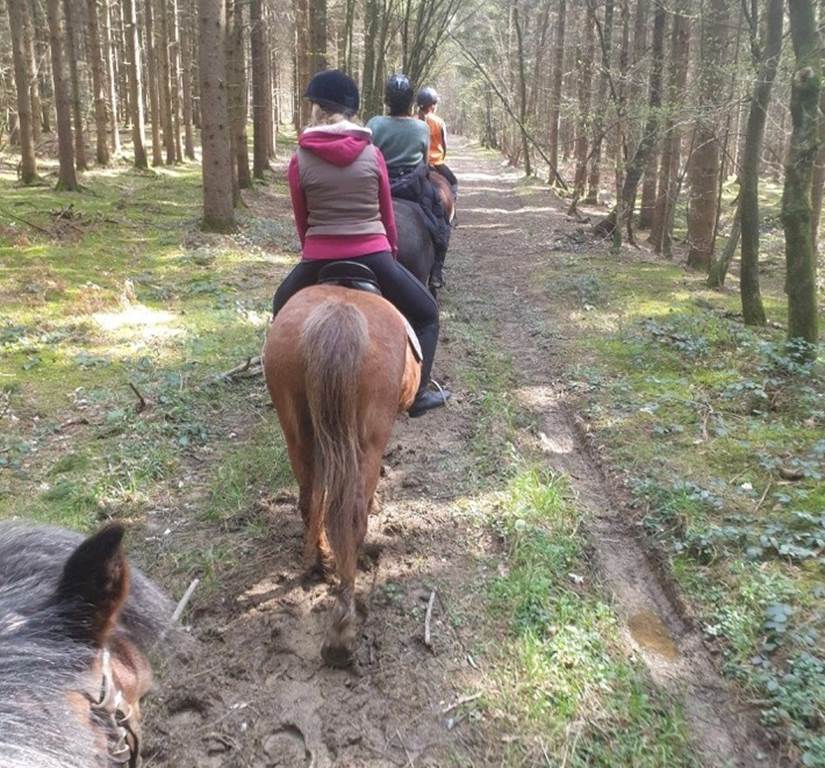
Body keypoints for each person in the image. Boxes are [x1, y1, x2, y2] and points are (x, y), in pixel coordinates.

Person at [271, 69, 450, 417]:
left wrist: (312, 253)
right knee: (428, 315)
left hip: (318, 257)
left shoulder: (299, 159)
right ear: (350, 112)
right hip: (375, 255)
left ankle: (283, 386)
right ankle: (419, 395)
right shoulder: (372, 155)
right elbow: (387, 215)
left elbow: (302, 220)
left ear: (318, 110)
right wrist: (390, 256)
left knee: (280, 308)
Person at [367, 75, 451, 289]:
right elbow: (424, 162)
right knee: (439, 221)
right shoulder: (420, 127)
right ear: (410, 101)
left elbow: (367, 155)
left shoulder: (374, 123)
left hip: (379, 185)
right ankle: (436, 271)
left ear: (387, 101)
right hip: (412, 187)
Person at [417, 87, 458, 197]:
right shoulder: (439, 122)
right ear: (432, 106)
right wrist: (441, 157)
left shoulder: (412, 120)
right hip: (436, 163)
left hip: (416, 163)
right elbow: (444, 145)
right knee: (454, 182)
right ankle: (452, 210)